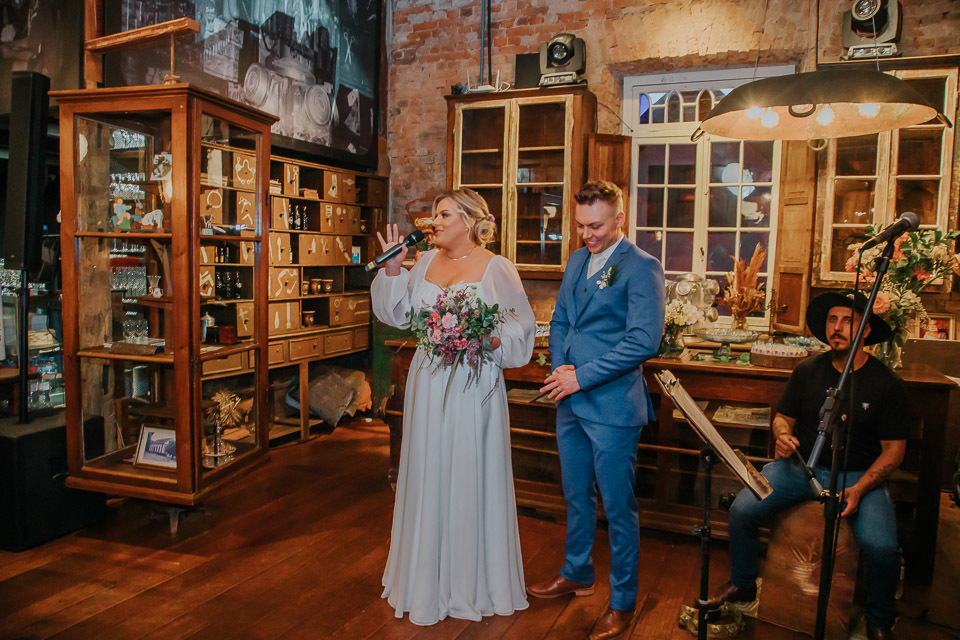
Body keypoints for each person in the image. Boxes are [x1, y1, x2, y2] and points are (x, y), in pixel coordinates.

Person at [371, 188, 536, 625]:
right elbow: (396, 315)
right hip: (428, 384)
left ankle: (470, 583)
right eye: (434, 215)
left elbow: (522, 332)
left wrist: (484, 338)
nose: (435, 222)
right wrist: (393, 270)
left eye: (443, 214)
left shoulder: (497, 268)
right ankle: (424, 580)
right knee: (428, 470)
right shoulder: (424, 262)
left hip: (473, 383)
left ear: (469, 220)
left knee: (467, 468)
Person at [710, 290, 907, 640]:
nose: (837, 327)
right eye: (832, 320)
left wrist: (861, 488)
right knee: (742, 509)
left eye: (847, 320)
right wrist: (784, 436)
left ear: (865, 330)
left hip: (859, 475)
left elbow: (894, 451)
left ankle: (879, 617)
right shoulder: (807, 371)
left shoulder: (886, 383)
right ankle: (743, 583)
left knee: (881, 547)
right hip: (805, 467)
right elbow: (782, 419)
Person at [527, 180, 665, 640]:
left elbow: (643, 340)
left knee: (619, 509)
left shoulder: (642, 267)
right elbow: (562, 319)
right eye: (581, 225)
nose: (587, 234)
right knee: (575, 494)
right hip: (569, 398)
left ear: (619, 219)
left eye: (596, 226)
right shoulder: (575, 260)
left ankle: (622, 603)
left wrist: (581, 376)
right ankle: (577, 572)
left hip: (612, 407)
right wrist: (560, 365)